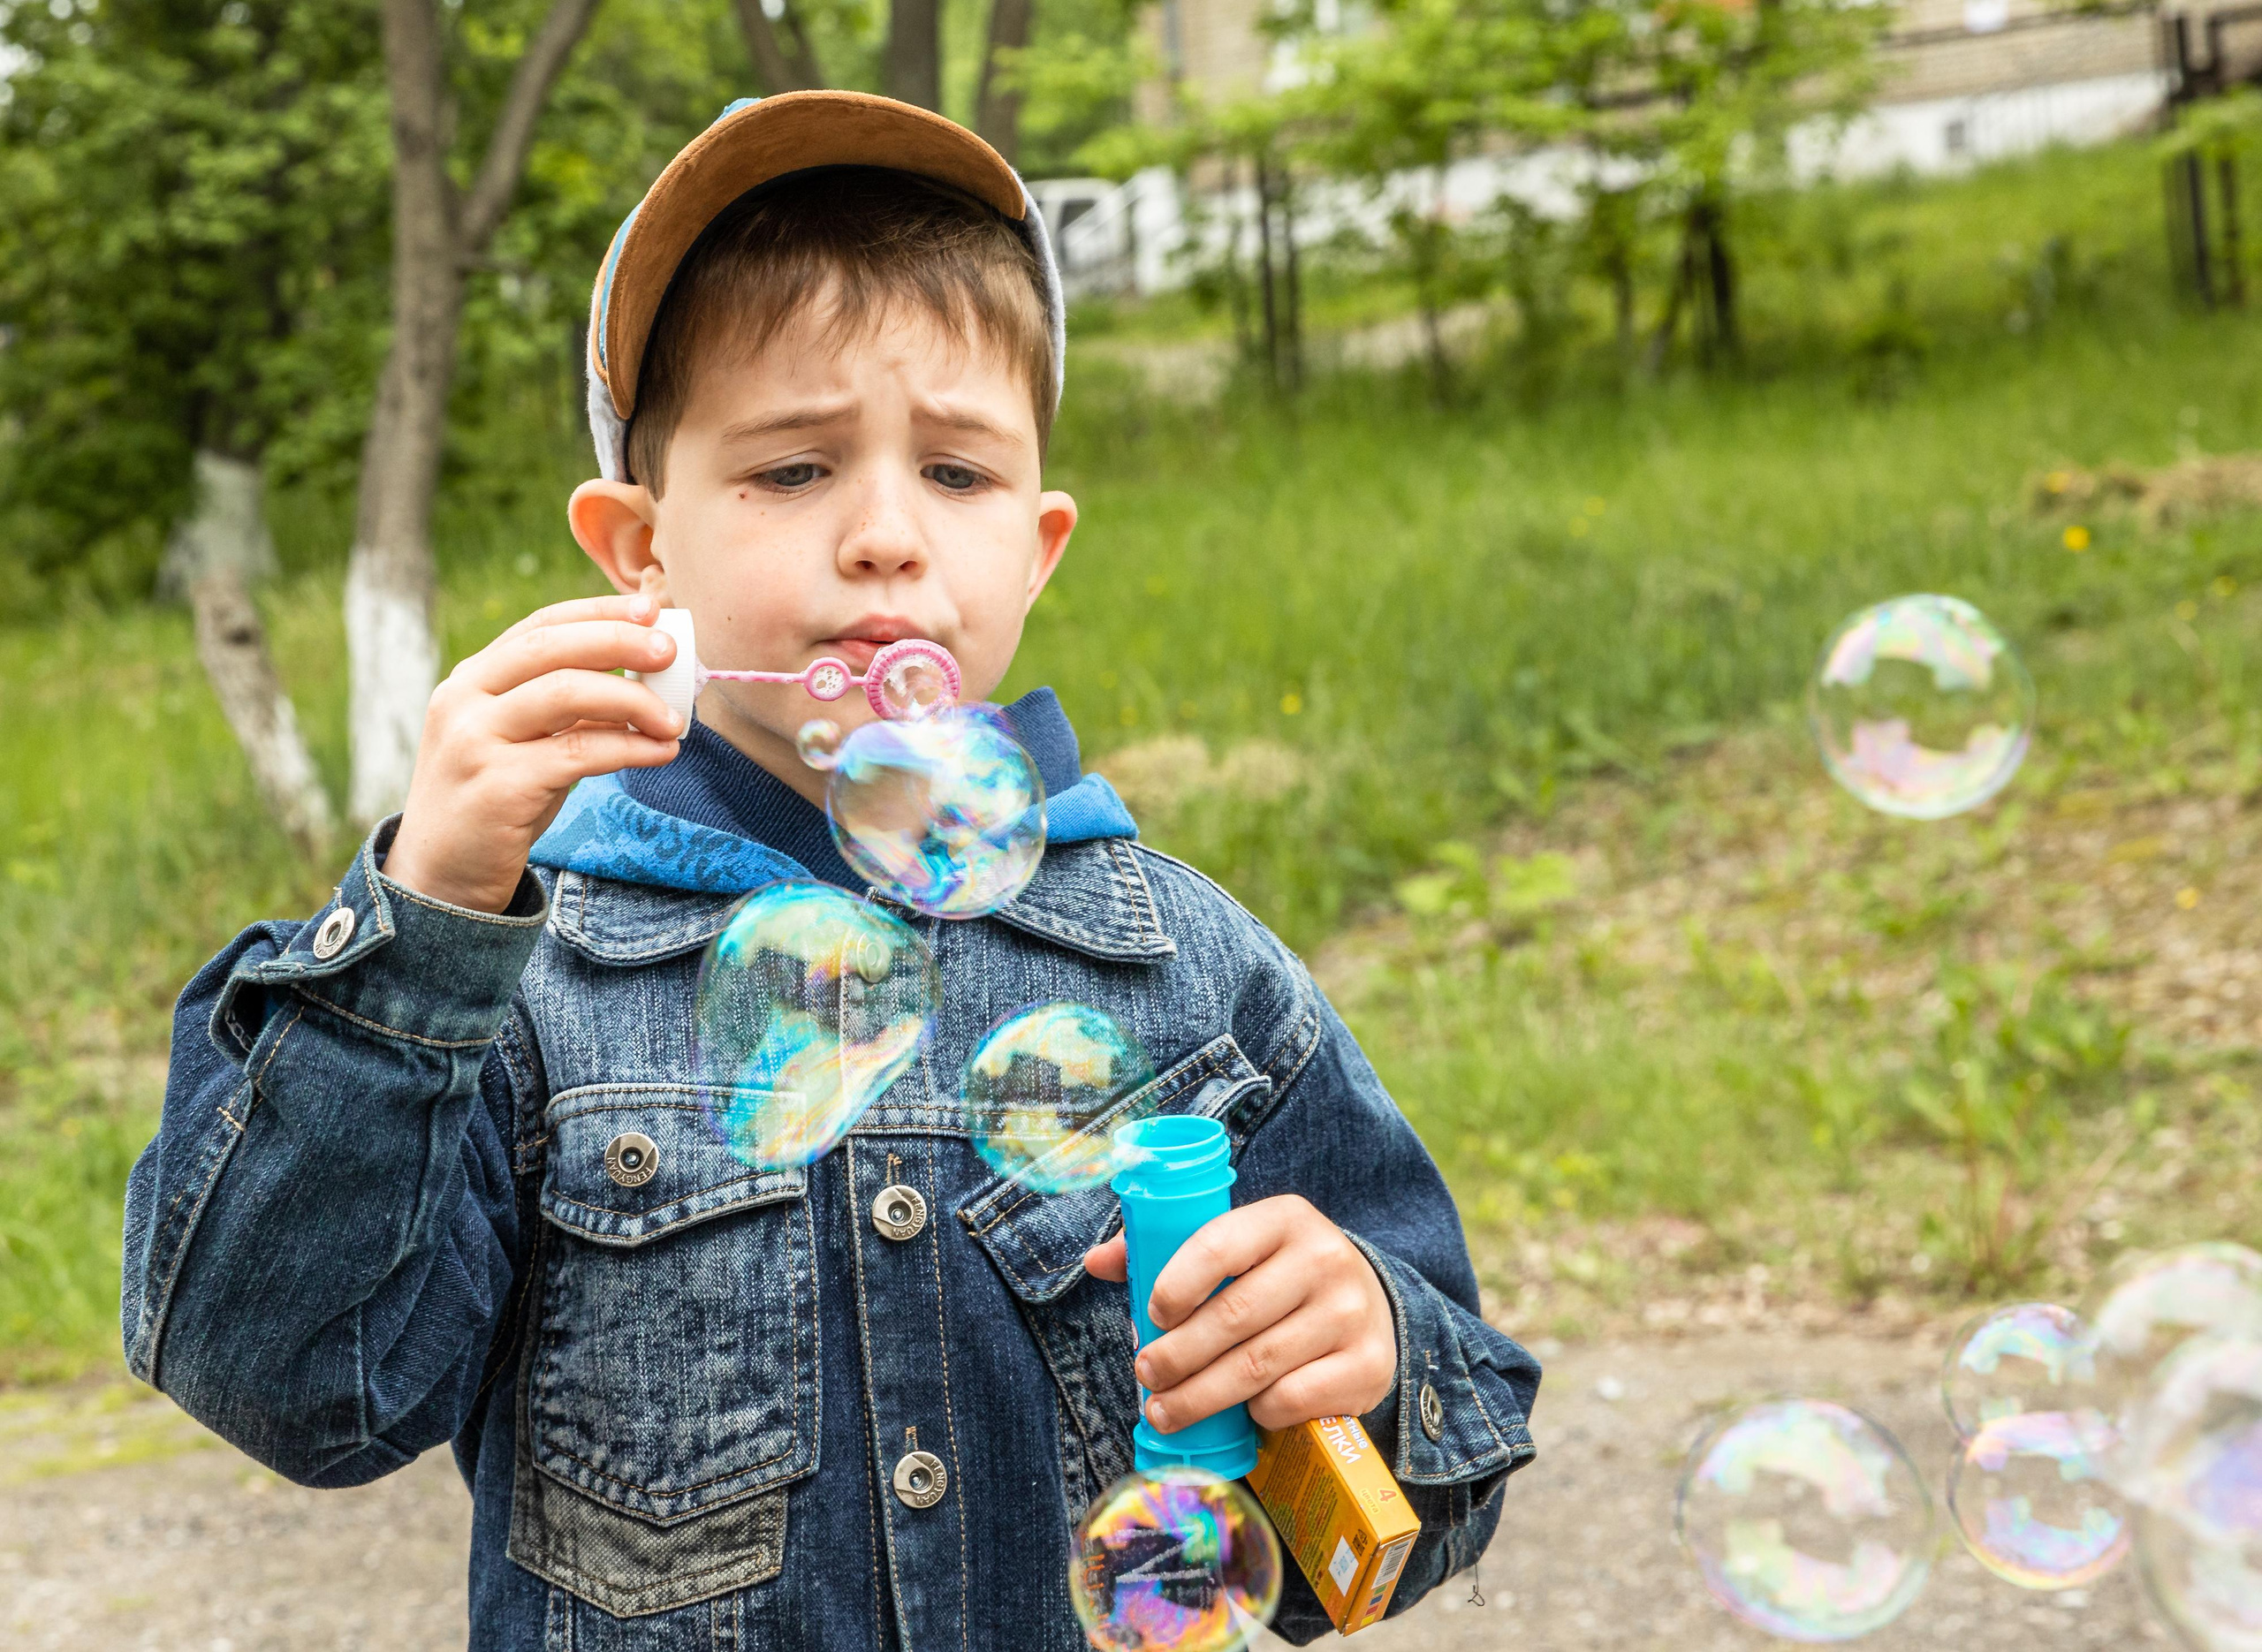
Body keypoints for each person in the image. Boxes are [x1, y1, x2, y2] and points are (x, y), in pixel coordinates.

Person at [123, 91, 1539, 1650]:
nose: (883, 535)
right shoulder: (528, 980)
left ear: (1040, 542)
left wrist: (1375, 1345)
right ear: (639, 551)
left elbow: (1424, 1497)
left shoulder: (1184, 971)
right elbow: (292, 1384)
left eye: (958, 472)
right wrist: (423, 917)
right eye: (792, 470)